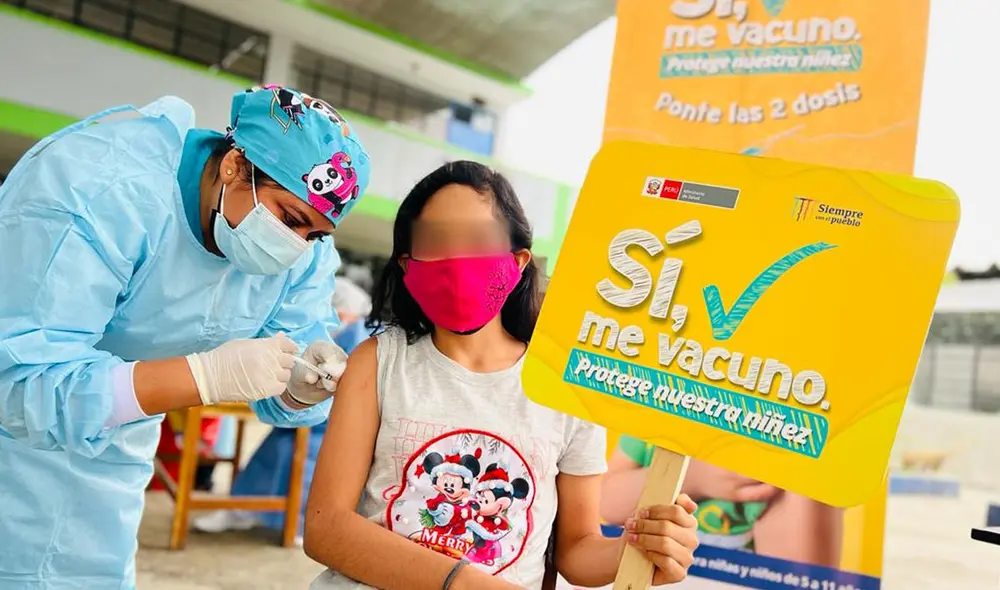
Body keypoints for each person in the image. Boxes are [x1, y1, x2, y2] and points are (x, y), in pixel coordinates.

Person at [0, 85, 370, 588]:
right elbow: (21, 384)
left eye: (317, 235)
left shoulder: (300, 255)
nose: (297, 248)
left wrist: (300, 385)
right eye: (290, 220)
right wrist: (203, 376)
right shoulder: (101, 188)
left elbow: (292, 356)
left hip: (114, 452)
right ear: (234, 166)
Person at [302, 161, 700, 590]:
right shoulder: (378, 361)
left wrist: (640, 551)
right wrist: (463, 583)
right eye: (436, 241)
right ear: (407, 263)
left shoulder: (565, 388)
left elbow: (578, 550)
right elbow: (327, 529)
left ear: (518, 260)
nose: (457, 261)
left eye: (478, 241)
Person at [192, 276, 374, 541]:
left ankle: (301, 524)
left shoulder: (358, 335)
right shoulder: (323, 321)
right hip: (303, 417)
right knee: (276, 446)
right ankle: (241, 509)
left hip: (332, 425)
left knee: (310, 460)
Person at [601, 435, 843, 568]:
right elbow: (606, 502)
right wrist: (691, 476)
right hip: (644, 567)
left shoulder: (799, 449)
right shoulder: (655, 411)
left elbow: (796, 575)